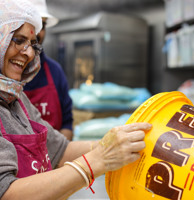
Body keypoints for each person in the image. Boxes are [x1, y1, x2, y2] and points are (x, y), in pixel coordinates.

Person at [0, 0, 152, 199]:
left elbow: (60, 150)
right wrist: (95, 162)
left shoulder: (18, 100)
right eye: (18, 40)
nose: (29, 53)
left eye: (31, 44)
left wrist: (113, 144)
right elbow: (7, 193)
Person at [23, 0, 73, 141]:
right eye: (32, 24)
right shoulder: (6, 75)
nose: (37, 33)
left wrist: (57, 158)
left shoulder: (55, 70)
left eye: (42, 25)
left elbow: (67, 123)